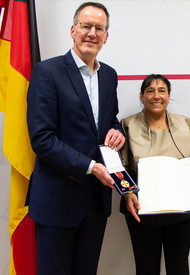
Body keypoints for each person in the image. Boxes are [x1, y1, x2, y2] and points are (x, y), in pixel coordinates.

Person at [26, 2, 125, 275]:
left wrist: (117, 131)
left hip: (95, 202)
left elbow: (110, 121)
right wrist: (91, 167)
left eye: (99, 28)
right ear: (73, 30)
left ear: (106, 36)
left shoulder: (109, 75)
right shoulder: (47, 72)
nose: (92, 33)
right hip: (57, 200)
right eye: (86, 26)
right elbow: (42, 139)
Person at [120, 74, 190, 275]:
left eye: (162, 91)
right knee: (146, 268)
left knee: (179, 268)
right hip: (142, 211)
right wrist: (127, 194)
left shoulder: (185, 122)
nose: (156, 96)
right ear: (142, 97)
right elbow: (119, 167)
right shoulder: (127, 124)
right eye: (150, 91)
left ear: (169, 96)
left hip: (181, 212)